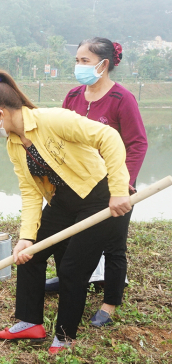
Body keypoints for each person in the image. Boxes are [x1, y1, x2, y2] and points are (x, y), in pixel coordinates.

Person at [0, 70, 131, 354]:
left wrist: (119, 189)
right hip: (64, 198)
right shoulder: (14, 142)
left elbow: (110, 138)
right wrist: (26, 237)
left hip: (98, 195)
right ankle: (30, 322)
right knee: (30, 255)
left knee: (72, 268)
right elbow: (30, 190)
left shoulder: (53, 120)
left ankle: (66, 336)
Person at [45, 37, 147, 327]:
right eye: (77, 61)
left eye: (85, 61)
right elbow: (61, 137)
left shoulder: (121, 99)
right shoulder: (73, 95)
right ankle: (68, 278)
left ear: (104, 64)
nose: (79, 66)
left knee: (114, 244)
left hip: (113, 185)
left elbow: (137, 143)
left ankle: (110, 302)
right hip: (77, 183)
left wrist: (123, 186)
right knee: (65, 235)